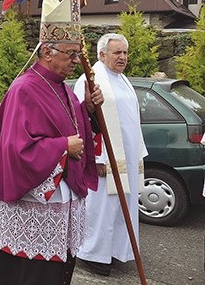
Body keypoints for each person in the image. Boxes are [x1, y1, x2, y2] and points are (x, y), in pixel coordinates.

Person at [0, 0, 102, 285]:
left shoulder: (64, 88)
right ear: (46, 52)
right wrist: (62, 147)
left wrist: (89, 111)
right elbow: (15, 149)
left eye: (77, 54)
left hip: (59, 204)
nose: (75, 61)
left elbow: (72, 128)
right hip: (33, 205)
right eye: (71, 54)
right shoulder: (24, 88)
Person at [73, 33, 148, 276]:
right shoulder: (89, 80)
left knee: (122, 205)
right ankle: (92, 253)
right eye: (117, 52)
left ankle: (116, 250)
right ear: (102, 54)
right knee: (102, 208)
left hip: (126, 156)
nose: (123, 57)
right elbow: (81, 119)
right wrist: (96, 159)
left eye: (125, 52)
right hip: (105, 157)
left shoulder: (123, 80)